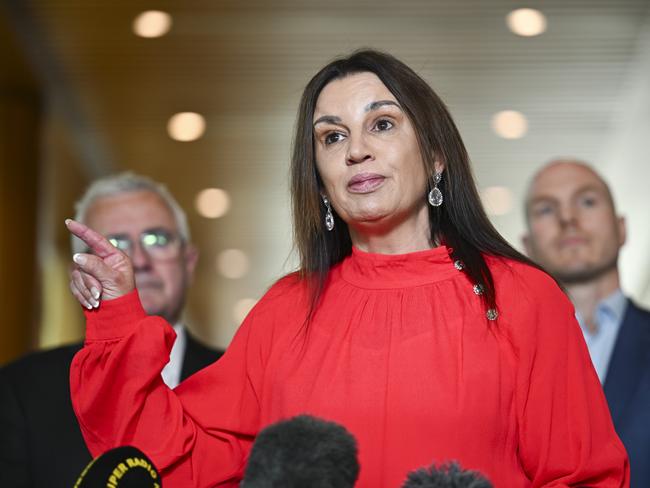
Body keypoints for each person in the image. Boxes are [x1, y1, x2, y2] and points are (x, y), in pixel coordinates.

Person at [66, 50, 628, 487]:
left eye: (381, 124)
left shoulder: (523, 297)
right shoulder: (286, 311)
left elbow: (584, 476)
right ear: (321, 178)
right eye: (332, 136)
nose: (355, 150)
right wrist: (117, 312)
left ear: (435, 156)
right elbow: (181, 459)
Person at [0, 173, 224, 488]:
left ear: (188, 262)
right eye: (113, 244)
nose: (138, 261)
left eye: (156, 239)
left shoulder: (240, 379)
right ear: (78, 272)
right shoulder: (19, 391)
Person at [523, 159, 650, 487]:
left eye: (587, 201)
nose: (568, 218)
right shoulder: (504, 355)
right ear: (527, 247)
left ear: (622, 228)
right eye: (546, 210)